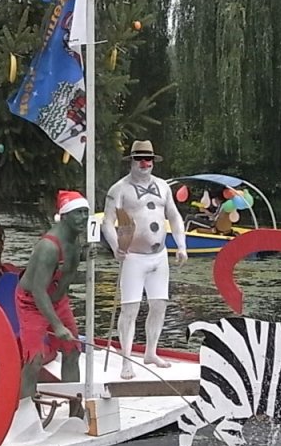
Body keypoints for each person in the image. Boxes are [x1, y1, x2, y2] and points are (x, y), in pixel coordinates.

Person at [101, 139, 188, 379]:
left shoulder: (163, 187)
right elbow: (108, 222)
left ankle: (151, 351)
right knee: (130, 308)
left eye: (148, 159)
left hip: (159, 256)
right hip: (133, 256)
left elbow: (174, 216)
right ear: (131, 161)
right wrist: (115, 245)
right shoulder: (118, 189)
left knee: (159, 305)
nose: (144, 163)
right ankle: (126, 360)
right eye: (140, 159)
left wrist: (181, 245)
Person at [16, 190, 88, 402]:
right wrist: (56, 326)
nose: (83, 218)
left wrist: (85, 254)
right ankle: (26, 410)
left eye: (86, 212)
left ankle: (75, 405)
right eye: (78, 213)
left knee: (73, 350)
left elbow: (69, 261)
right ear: (64, 216)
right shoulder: (48, 247)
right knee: (34, 359)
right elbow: (38, 290)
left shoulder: (76, 238)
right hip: (32, 302)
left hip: (58, 299)